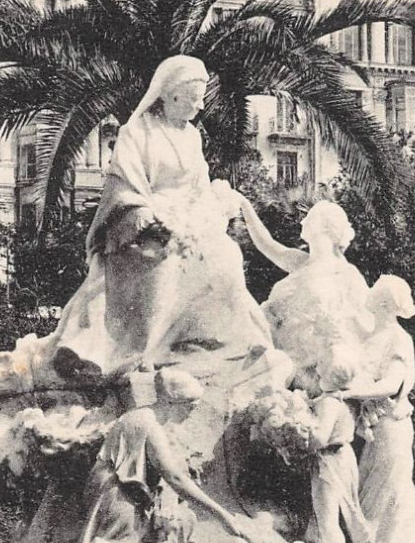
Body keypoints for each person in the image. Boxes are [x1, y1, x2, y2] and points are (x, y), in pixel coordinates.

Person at [49, 56, 273, 374]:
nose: (200, 107)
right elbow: (122, 185)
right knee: (162, 252)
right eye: (195, 98)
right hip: (143, 218)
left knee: (226, 252)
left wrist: (215, 202)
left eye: (202, 99)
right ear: (171, 94)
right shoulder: (136, 132)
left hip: (189, 217)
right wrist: (149, 212)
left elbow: (199, 186)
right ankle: (145, 349)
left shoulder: (192, 137)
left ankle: (231, 339)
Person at [58, 368, 259, 543]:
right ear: (172, 402)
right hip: (117, 493)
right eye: (190, 407)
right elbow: (174, 476)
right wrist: (222, 515)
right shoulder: (150, 424)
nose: (192, 412)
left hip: (125, 490)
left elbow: (166, 476)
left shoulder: (146, 418)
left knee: (178, 526)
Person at [343, 275, 415, 543]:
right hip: (369, 431)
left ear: (385, 303)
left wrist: (348, 392)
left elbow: (391, 384)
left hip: (391, 428)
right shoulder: (370, 336)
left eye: (376, 296)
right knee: (376, 496)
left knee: (392, 496)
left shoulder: (399, 339)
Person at [238, 196, 373, 388]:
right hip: (280, 349)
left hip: (319, 367)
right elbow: (266, 243)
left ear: (326, 227)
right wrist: (245, 206)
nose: (304, 221)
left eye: (310, 217)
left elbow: (363, 324)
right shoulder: (300, 261)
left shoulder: (346, 273)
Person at [307, 351, 372, 543]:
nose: (316, 372)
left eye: (319, 369)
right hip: (345, 457)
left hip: (329, 461)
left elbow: (320, 438)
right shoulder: (346, 400)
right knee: (334, 515)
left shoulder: (328, 403)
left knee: (328, 519)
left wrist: (299, 430)